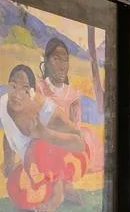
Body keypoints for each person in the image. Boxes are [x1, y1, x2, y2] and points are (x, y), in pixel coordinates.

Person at [0, 64, 89, 212]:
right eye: (13, 86)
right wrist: (8, 161)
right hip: (32, 164)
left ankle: (58, 193)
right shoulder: (4, 103)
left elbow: (80, 143)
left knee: (38, 144)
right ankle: (65, 189)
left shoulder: (46, 111)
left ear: (32, 93)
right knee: (16, 190)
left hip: (65, 157)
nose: (17, 94)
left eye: (25, 90)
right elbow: (8, 133)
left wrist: (44, 133)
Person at [36, 36, 102, 173]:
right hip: (45, 140)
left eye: (65, 60)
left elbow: (76, 126)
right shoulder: (39, 89)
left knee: (87, 136)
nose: (62, 65)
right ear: (46, 61)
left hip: (68, 141)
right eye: (56, 59)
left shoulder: (72, 95)